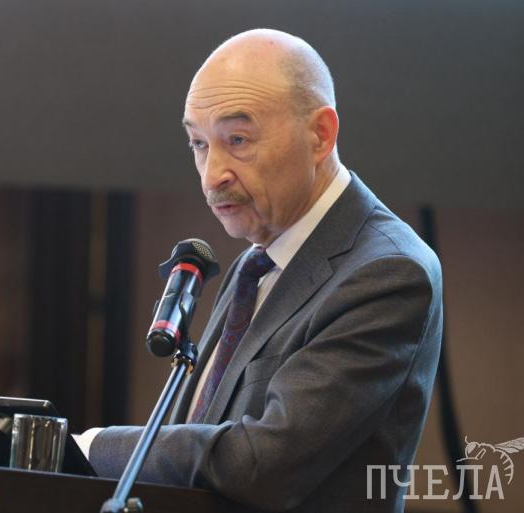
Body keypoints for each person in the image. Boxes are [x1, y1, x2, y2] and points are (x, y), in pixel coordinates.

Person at [83, 29, 443, 512]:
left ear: (320, 134)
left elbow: (264, 465)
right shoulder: (256, 262)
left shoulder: (388, 272)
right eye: (199, 144)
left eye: (238, 140)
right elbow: (206, 441)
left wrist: (92, 448)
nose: (213, 175)